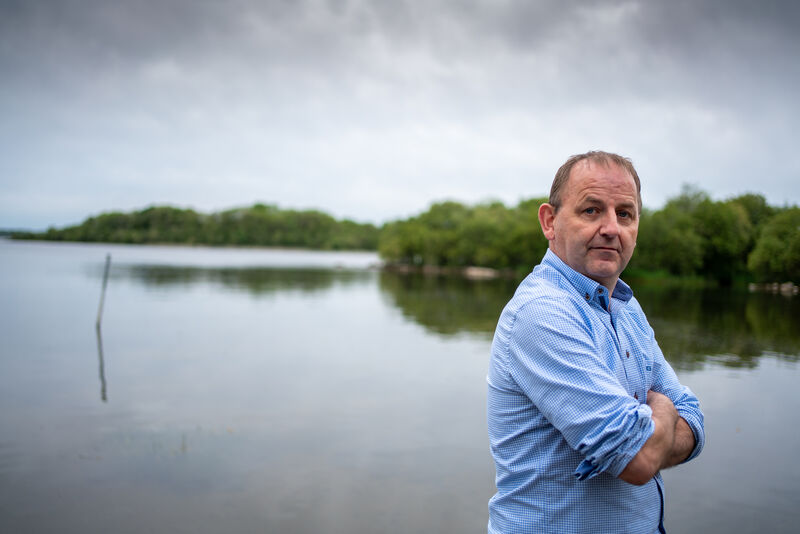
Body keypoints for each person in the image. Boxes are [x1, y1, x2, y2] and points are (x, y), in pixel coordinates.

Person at [487, 151, 705, 533]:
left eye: (625, 214)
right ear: (550, 222)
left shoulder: (626, 306)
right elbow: (637, 458)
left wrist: (650, 431)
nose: (611, 228)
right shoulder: (541, 313)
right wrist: (664, 414)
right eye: (591, 211)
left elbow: (695, 423)